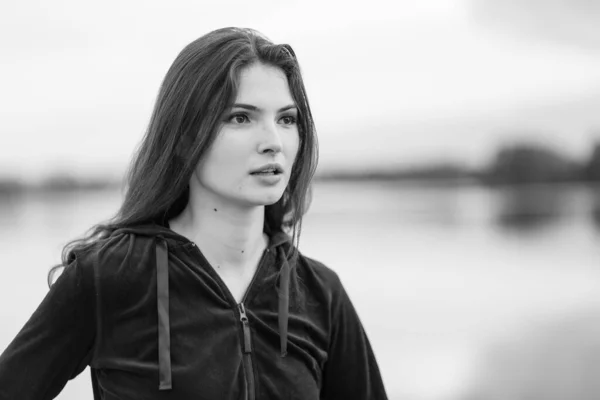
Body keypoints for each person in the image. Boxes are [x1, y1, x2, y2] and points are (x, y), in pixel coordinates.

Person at [0, 27, 388, 399]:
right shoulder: (109, 277)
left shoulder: (321, 293)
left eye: (286, 119)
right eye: (241, 117)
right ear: (186, 137)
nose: (273, 142)